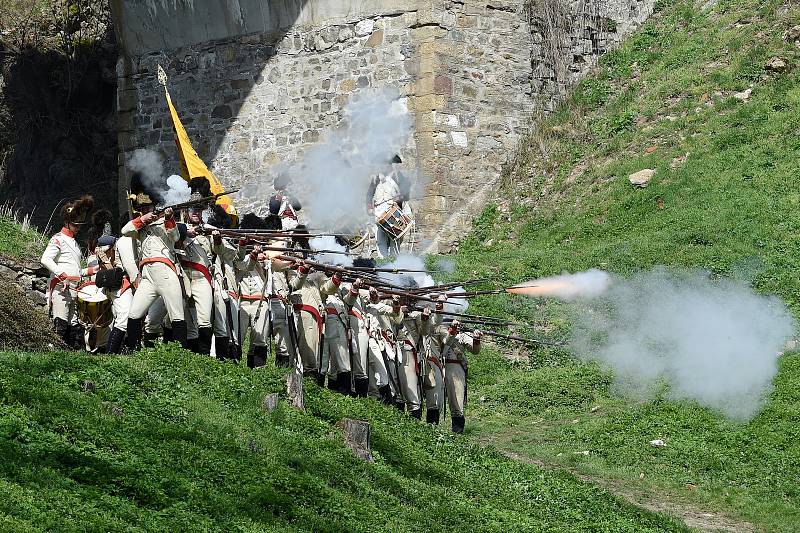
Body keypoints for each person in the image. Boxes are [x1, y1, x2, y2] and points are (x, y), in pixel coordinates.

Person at [122, 197, 187, 351]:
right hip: (147, 275)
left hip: (165, 271)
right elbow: (125, 231)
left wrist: (169, 218)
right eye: (142, 208)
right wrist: (143, 219)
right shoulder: (141, 225)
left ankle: (182, 355)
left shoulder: (164, 222)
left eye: (147, 207)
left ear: (154, 207)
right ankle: (132, 350)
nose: (144, 210)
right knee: (134, 313)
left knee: (177, 315)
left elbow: (175, 237)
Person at [40, 195, 94, 349]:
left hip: (74, 288)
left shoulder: (74, 242)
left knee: (74, 327)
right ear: (66, 222)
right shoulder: (58, 239)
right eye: (75, 224)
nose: (78, 227)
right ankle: (53, 355)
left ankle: (70, 359)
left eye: (79, 225)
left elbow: (75, 269)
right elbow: (45, 259)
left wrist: (91, 270)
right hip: (62, 288)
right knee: (61, 324)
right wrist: (62, 276)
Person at [435, 320, 482, 434]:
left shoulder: (462, 334)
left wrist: (476, 339)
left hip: (456, 367)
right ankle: (432, 429)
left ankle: (457, 433)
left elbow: (475, 350)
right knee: (435, 401)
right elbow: (444, 343)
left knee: (457, 401)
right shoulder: (440, 329)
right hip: (438, 365)